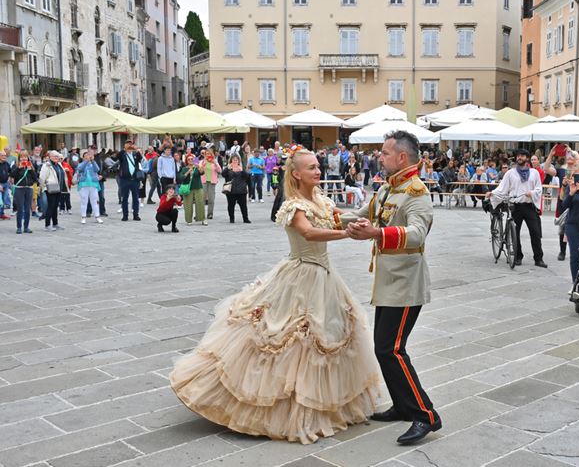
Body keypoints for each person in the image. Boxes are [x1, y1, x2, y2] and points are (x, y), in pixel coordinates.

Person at [170, 146, 380, 444]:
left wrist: (356, 223)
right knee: (289, 338)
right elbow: (308, 233)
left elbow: (335, 218)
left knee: (325, 338)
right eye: (311, 168)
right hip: (301, 273)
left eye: (318, 166)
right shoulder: (294, 205)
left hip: (324, 276)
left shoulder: (320, 199)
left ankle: (321, 406)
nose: (318, 171)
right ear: (296, 174)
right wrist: (347, 235)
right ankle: (281, 408)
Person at [339, 130, 441, 445]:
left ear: (401, 157)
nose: (379, 157)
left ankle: (426, 415)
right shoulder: (388, 188)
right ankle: (402, 405)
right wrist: (329, 216)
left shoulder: (416, 192)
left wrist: (377, 234)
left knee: (391, 349)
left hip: (407, 285)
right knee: (384, 349)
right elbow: (363, 215)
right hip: (388, 283)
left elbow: (417, 233)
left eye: (384, 152)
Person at [487, 148, 547, 268]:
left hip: (530, 206)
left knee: (535, 232)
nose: (520, 157)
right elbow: (502, 187)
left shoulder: (534, 173)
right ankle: (518, 256)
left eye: (522, 156)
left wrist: (533, 192)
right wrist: (492, 193)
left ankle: (538, 258)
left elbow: (539, 188)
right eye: (518, 156)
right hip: (516, 206)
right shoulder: (510, 173)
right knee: (515, 233)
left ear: (527, 158)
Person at [8, 150, 37, 233]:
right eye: (22, 157)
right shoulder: (16, 166)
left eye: (25, 156)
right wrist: (18, 168)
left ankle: (26, 227)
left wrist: (30, 170)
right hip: (19, 189)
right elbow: (11, 175)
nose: (24, 158)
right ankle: (19, 227)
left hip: (29, 188)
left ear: (27, 157)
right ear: (19, 158)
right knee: (20, 208)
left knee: (28, 209)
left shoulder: (30, 166)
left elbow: (35, 178)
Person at [38, 151, 67, 231]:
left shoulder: (59, 164)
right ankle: (47, 225)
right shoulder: (46, 165)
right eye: (54, 156)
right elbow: (42, 178)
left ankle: (55, 224)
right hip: (50, 189)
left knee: (55, 207)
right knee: (50, 207)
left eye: (57, 156)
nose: (56, 158)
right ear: (50, 157)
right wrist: (43, 187)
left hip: (58, 188)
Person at [117, 141, 143, 221]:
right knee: (124, 198)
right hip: (125, 180)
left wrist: (136, 149)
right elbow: (118, 155)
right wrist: (124, 148)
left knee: (135, 198)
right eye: (128, 146)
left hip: (134, 180)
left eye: (130, 146)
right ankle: (125, 215)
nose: (129, 148)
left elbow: (140, 158)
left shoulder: (135, 155)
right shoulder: (123, 155)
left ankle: (136, 214)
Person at [221, 154, 251, 223]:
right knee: (231, 205)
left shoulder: (241, 167)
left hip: (241, 190)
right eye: (233, 160)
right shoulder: (228, 168)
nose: (235, 161)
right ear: (231, 161)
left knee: (243, 206)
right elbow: (223, 174)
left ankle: (245, 218)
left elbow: (247, 177)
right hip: (231, 190)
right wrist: (227, 168)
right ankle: (232, 218)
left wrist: (242, 170)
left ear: (238, 161)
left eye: (236, 160)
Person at [76, 150, 103, 225]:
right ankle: (83, 217)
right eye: (86, 156)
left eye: (89, 155)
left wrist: (93, 161)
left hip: (93, 184)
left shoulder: (93, 163)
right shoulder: (81, 164)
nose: (88, 157)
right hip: (83, 185)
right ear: (83, 157)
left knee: (94, 201)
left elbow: (97, 169)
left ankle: (97, 216)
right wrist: (86, 161)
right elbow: (80, 169)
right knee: (84, 201)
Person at [179, 154, 206, 226]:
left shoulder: (197, 167)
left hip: (198, 187)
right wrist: (188, 172)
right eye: (189, 159)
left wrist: (198, 166)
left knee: (200, 203)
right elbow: (181, 178)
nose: (190, 160)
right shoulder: (184, 168)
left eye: (192, 159)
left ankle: (202, 219)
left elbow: (202, 173)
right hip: (188, 188)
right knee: (188, 204)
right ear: (186, 161)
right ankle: (189, 220)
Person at [199, 150, 222, 220]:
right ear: (204, 155)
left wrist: (215, 163)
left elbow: (220, 171)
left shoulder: (214, 162)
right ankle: (201, 214)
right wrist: (204, 163)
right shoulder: (202, 161)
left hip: (212, 182)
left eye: (209, 154)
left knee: (211, 199)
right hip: (204, 182)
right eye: (206, 154)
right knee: (202, 199)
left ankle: (210, 214)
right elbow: (200, 170)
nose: (208, 155)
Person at [0, 150, 10, 220]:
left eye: (5, 155)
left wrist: (10, 178)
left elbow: (10, 171)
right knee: (0, 201)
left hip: (6, 184)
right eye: (2, 155)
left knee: (4, 200)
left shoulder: (6, 163)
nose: (4, 157)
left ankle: (2, 214)